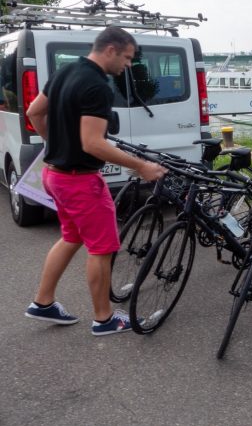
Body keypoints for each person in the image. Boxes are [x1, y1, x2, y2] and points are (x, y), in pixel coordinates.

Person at [24, 26, 166, 336]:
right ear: (111, 50)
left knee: (71, 237)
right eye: (127, 58)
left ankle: (43, 302)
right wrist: (142, 166)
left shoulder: (66, 71)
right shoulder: (98, 86)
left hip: (54, 175)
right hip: (80, 181)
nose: (128, 65)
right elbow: (94, 144)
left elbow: (34, 111)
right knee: (101, 248)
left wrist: (56, 143)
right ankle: (105, 319)